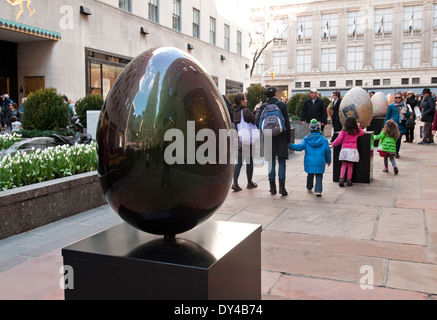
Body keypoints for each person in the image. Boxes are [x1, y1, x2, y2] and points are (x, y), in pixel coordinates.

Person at [255, 87, 291, 196]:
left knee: (271, 162)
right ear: (275, 93)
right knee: (281, 162)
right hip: (281, 136)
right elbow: (287, 124)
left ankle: (272, 188)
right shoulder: (282, 105)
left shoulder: (263, 106)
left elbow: (257, 123)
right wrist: (288, 140)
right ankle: (282, 188)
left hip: (268, 137)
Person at [289, 119, 331, 197]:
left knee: (310, 174)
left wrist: (290, 145)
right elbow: (327, 151)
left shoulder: (306, 139)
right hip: (320, 161)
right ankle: (318, 190)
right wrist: (328, 160)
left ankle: (309, 187)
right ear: (318, 129)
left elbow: (300, 147)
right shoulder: (324, 140)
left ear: (310, 129)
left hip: (309, 161)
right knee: (319, 175)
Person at [232, 93, 258, 192]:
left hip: (240, 139)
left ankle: (235, 182)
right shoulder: (245, 111)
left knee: (239, 161)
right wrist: (256, 111)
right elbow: (253, 120)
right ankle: (249, 182)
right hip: (247, 140)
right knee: (249, 161)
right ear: (241, 101)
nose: (246, 101)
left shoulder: (235, 112)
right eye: (245, 99)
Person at [331, 116, 364, 187]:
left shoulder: (343, 131)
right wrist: (359, 126)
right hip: (352, 150)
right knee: (350, 166)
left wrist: (332, 145)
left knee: (343, 165)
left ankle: (341, 179)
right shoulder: (356, 131)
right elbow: (362, 133)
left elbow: (338, 140)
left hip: (344, 150)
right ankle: (349, 181)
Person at [385, 92, 410, 157]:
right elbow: (387, 116)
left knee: (398, 139)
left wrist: (405, 113)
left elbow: (408, 115)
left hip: (401, 124)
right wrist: (385, 125)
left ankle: (396, 152)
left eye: (399, 97)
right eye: (396, 97)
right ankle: (392, 151)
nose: (397, 99)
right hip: (393, 124)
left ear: (401, 98)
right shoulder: (391, 106)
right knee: (393, 139)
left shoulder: (404, 105)